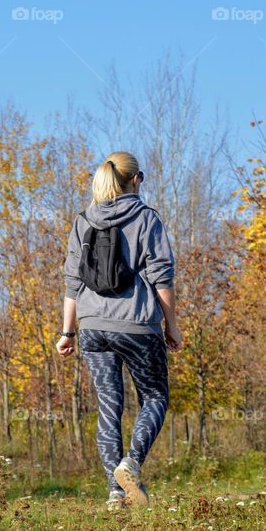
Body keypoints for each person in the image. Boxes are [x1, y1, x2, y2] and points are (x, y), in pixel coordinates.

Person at [57, 151, 180, 510]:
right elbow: (162, 277)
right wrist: (171, 325)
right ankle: (132, 463)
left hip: (92, 327)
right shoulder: (146, 218)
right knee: (156, 397)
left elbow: (71, 281)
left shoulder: (84, 221)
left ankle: (115, 492)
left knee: (109, 407)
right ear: (135, 180)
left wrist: (67, 332)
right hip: (137, 325)